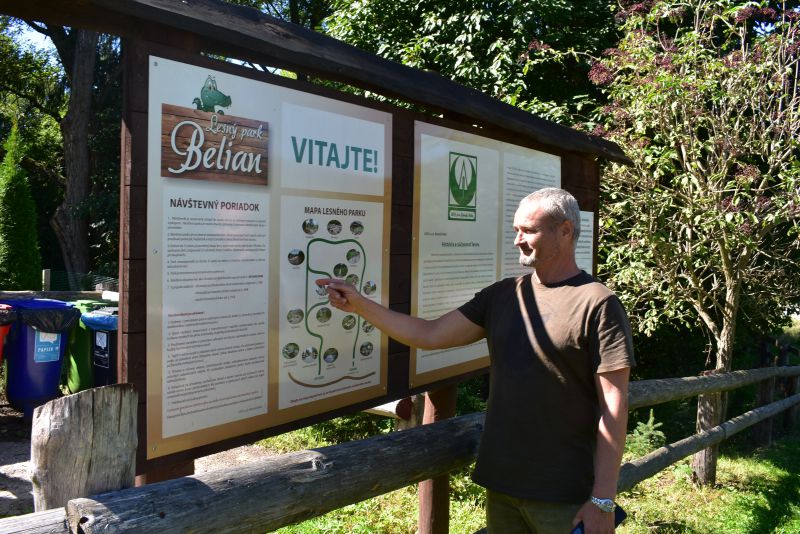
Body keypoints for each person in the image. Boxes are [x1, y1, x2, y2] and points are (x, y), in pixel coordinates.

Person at [318, 187, 635, 534]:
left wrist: (602, 499)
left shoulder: (598, 304)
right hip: (502, 486)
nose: (518, 240)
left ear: (565, 231)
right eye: (516, 230)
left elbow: (614, 406)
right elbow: (429, 334)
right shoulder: (502, 295)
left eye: (528, 230)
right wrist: (360, 304)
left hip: (566, 495)